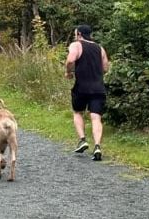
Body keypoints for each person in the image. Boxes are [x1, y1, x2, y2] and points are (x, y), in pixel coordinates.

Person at [65, 24, 109, 161]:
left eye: (75, 33)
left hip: (81, 87)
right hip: (98, 88)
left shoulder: (76, 45)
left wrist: (68, 72)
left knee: (78, 112)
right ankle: (97, 146)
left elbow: (71, 59)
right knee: (96, 117)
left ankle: (83, 139)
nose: (74, 36)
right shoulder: (99, 48)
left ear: (79, 34)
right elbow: (106, 68)